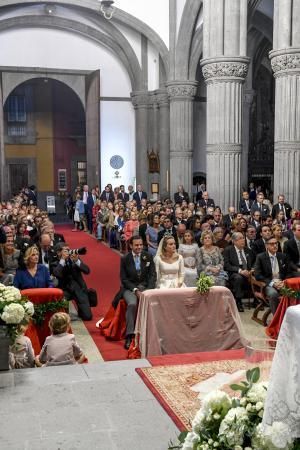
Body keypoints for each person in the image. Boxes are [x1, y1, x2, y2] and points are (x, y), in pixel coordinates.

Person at [113, 235, 156, 349]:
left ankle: (151, 333)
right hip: (130, 289)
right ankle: (130, 335)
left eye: (141, 245)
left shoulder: (148, 256)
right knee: (132, 304)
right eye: (136, 245)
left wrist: (149, 290)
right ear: (131, 245)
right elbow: (124, 279)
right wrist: (135, 290)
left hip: (146, 287)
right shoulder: (125, 258)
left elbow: (152, 275)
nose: (139, 247)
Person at [53, 243, 92, 321]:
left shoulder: (74, 259)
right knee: (62, 319)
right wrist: (63, 260)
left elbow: (87, 271)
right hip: (64, 290)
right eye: (66, 250)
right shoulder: (55, 263)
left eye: (69, 250)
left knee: (87, 316)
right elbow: (57, 273)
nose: (68, 252)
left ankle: (81, 309)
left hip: (78, 289)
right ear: (58, 253)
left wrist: (77, 261)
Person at [254, 237, 290, 315]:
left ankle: (289, 316)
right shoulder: (260, 257)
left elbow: (288, 272)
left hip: (282, 283)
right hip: (268, 284)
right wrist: (272, 284)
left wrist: (284, 282)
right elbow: (257, 275)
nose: (275, 246)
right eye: (272, 244)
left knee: (294, 293)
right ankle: (276, 318)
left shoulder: (283, 256)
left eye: (276, 243)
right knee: (273, 294)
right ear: (267, 246)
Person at [223, 232, 255, 312]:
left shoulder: (248, 250)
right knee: (238, 278)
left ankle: (257, 300)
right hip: (235, 271)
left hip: (248, 270)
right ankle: (238, 301)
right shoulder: (228, 250)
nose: (243, 240)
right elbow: (226, 265)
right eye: (240, 239)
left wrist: (252, 270)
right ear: (234, 241)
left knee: (258, 275)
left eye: (243, 238)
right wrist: (240, 271)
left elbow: (255, 262)